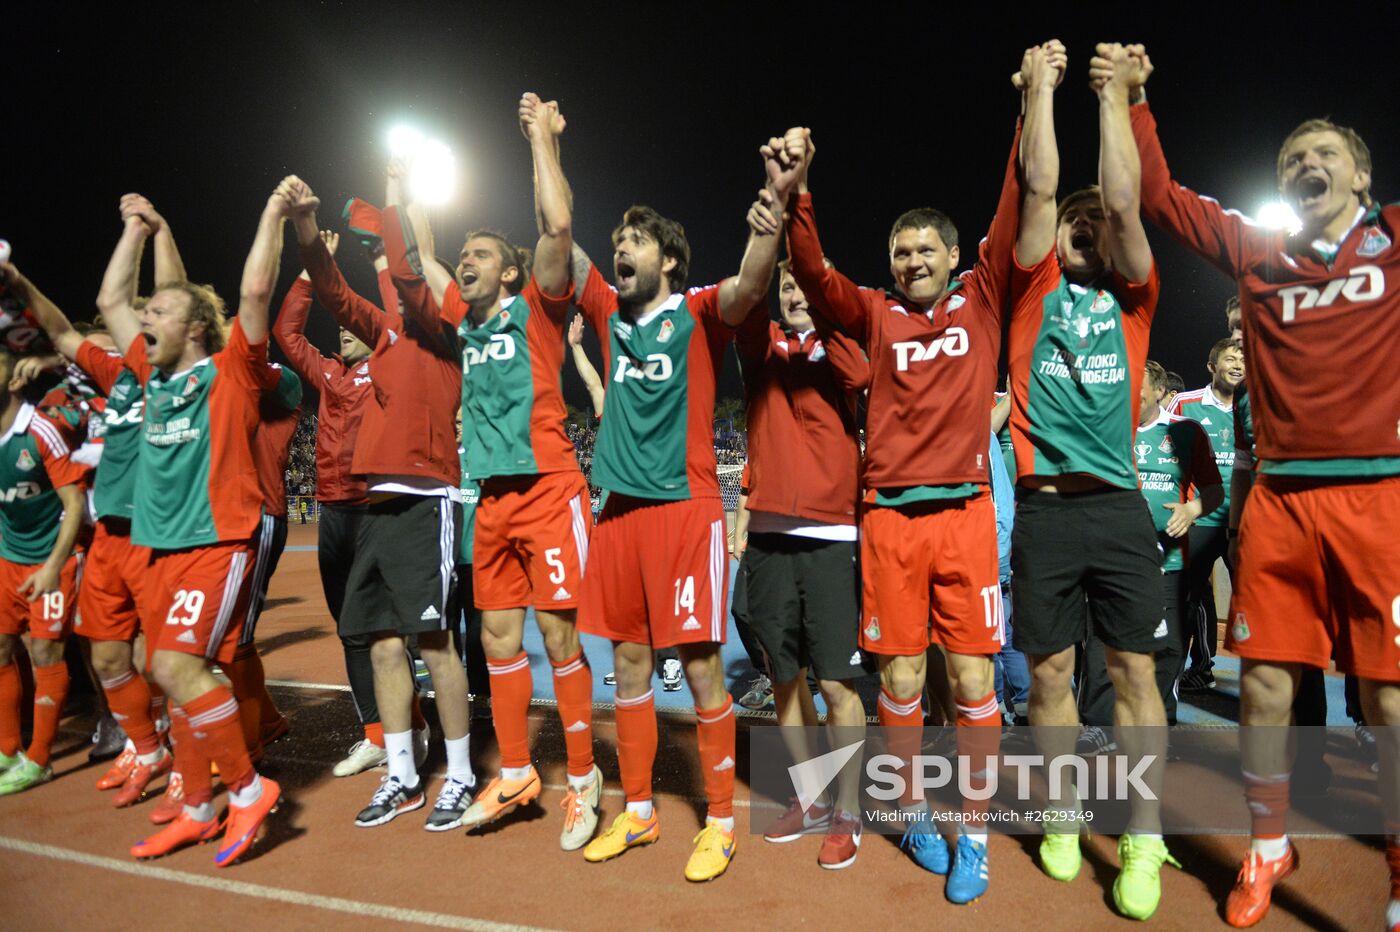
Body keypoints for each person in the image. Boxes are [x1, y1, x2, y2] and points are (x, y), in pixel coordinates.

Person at [1125, 44, 1400, 930]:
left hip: (1377, 497)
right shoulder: (1258, 251)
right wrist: (1136, 100)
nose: (1306, 165)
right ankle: (1267, 844)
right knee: (1266, 688)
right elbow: (1162, 198)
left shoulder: (1393, 239)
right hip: (1277, 501)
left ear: (1362, 173)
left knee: (1388, 694)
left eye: (1324, 155)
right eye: (1292, 160)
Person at [778, 44, 1029, 901]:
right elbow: (811, 273)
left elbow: (1018, 196)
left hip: (963, 513)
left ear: (954, 255)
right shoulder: (876, 315)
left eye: (925, 250)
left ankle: (976, 834)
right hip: (888, 519)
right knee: (902, 682)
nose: (911, 261)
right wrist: (799, 190)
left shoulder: (985, 297)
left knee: (971, 681)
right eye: (900, 252)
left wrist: (1033, 103)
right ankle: (916, 811)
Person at [571, 141, 793, 882]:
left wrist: (775, 203)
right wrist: (545, 145)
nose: (618, 251)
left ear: (669, 259)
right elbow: (558, 242)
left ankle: (721, 822)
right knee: (627, 664)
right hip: (619, 515)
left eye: (632, 242)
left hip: (686, 510)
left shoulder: (699, 311)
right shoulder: (606, 312)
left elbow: (754, 280)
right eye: (616, 244)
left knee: (700, 666)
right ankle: (637, 813)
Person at [400, 94, 601, 847]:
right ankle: (515, 770)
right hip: (492, 503)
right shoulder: (464, 319)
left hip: (549, 491)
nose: (467, 263)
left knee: (558, 637)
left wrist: (540, 141)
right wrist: (409, 196)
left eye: (480, 255)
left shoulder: (539, 312)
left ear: (513, 273)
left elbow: (557, 226)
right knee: (495, 640)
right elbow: (423, 259)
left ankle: (583, 780)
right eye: (467, 258)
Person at [1006, 43, 1173, 918]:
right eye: (1075, 222)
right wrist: (1042, 93)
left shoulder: (1136, 295)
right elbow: (1043, 193)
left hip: (1116, 511)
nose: (1086, 226)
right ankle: (1064, 812)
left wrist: (1116, 99)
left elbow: (1122, 198)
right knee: (1048, 681)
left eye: (1096, 222)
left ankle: (1143, 835)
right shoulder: (1030, 290)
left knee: (1135, 676)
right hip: (1043, 513)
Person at [99, 184, 290, 864]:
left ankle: (245, 791)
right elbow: (109, 303)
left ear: (197, 329)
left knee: (179, 665)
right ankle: (198, 804)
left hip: (216, 542)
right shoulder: (150, 377)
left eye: (161, 312)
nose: (143, 321)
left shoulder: (230, 369)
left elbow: (257, 294)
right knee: (166, 668)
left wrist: (268, 214)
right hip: (160, 550)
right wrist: (137, 228)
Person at [288, 170, 472, 832]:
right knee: (382, 644)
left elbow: (409, 265)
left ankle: (459, 774)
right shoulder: (387, 336)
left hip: (427, 499)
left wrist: (395, 194)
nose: (390, 280)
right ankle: (401, 774)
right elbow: (333, 292)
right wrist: (308, 228)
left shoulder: (444, 329)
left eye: (397, 274)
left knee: (436, 643)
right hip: (376, 505)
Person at [5, 210, 177, 809]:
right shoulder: (116, 378)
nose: (139, 322)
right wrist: (16, 279)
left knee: (168, 658)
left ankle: (193, 767)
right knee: (107, 653)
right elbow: (61, 330)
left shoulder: (172, 375)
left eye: (151, 317)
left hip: (163, 533)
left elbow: (159, 301)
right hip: (106, 532)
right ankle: (146, 746)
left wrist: (157, 233)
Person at [272, 226, 429, 779]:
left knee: (381, 627)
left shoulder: (386, 368)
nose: (341, 334)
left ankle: (399, 729)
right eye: (336, 328)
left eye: (349, 326)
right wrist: (308, 274)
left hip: (371, 509)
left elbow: (402, 322)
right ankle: (382, 730)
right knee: (348, 627)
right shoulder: (329, 376)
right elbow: (286, 335)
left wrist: (383, 263)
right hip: (332, 511)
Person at [738, 257, 870, 870]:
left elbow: (861, 374)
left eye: (804, 288)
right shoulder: (760, 345)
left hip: (830, 534)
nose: (793, 295)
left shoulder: (840, 347)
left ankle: (849, 808)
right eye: (786, 287)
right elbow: (744, 302)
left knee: (838, 683)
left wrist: (824, 318)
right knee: (785, 676)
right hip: (768, 535)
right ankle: (811, 795)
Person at [1077, 361, 1221, 729]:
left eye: (1138, 393)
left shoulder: (1186, 432)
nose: (1130, 400)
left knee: (1170, 645)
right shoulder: (1104, 431)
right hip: (1108, 559)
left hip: (1169, 562)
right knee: (1099, 645)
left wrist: (1192, 508)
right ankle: (1098, 724)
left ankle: (1158, 722)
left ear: (1159, 392)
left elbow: (1214, 489)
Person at [0, 342, 87, 795]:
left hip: (52, 558)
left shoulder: (40, 430)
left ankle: (40, 760)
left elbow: (73, 504)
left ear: (14, 380)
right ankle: (8, 748)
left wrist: (54, 567)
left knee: (45, 655)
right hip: (9, 558)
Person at [1168, 336, 1245, 691]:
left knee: (1252, 602)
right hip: (1199, 519)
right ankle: (1190, 670)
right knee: (1187, 598)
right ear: (1212, 366)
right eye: (1230, 358)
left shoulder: (1254, 404)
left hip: (1242, 522)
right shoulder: (1185, 403)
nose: (1238, 365)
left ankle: (1261, 681)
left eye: (1243, 360)